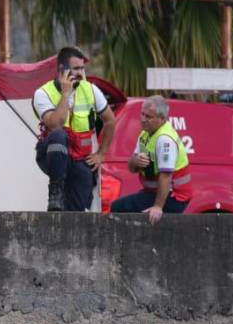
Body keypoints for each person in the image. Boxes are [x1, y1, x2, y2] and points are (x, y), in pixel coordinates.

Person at [34, 46, 117, 211]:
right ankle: (55, 191)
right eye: (76, 68)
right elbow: (56, 124)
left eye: (82, 68)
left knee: (77, 207)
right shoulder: (43, 93)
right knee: (59, 135)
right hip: (53, 156)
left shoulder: (90, 89)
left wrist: (101, 154)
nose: (81, 73)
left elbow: (110, 121)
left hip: (80, 158)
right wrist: (65, 94)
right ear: (62, 69)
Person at [110, 95, 191, 223]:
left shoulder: (165, 140)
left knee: (118, 208)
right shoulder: (145, 133)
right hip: (153, 192)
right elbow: (131, 167)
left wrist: (158, 207)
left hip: (175, 197)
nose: (143, 119)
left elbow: (166, 176)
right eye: (142, 114)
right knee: (119, 206)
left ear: (162, 119)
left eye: (148, 117)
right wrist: (136, 161)